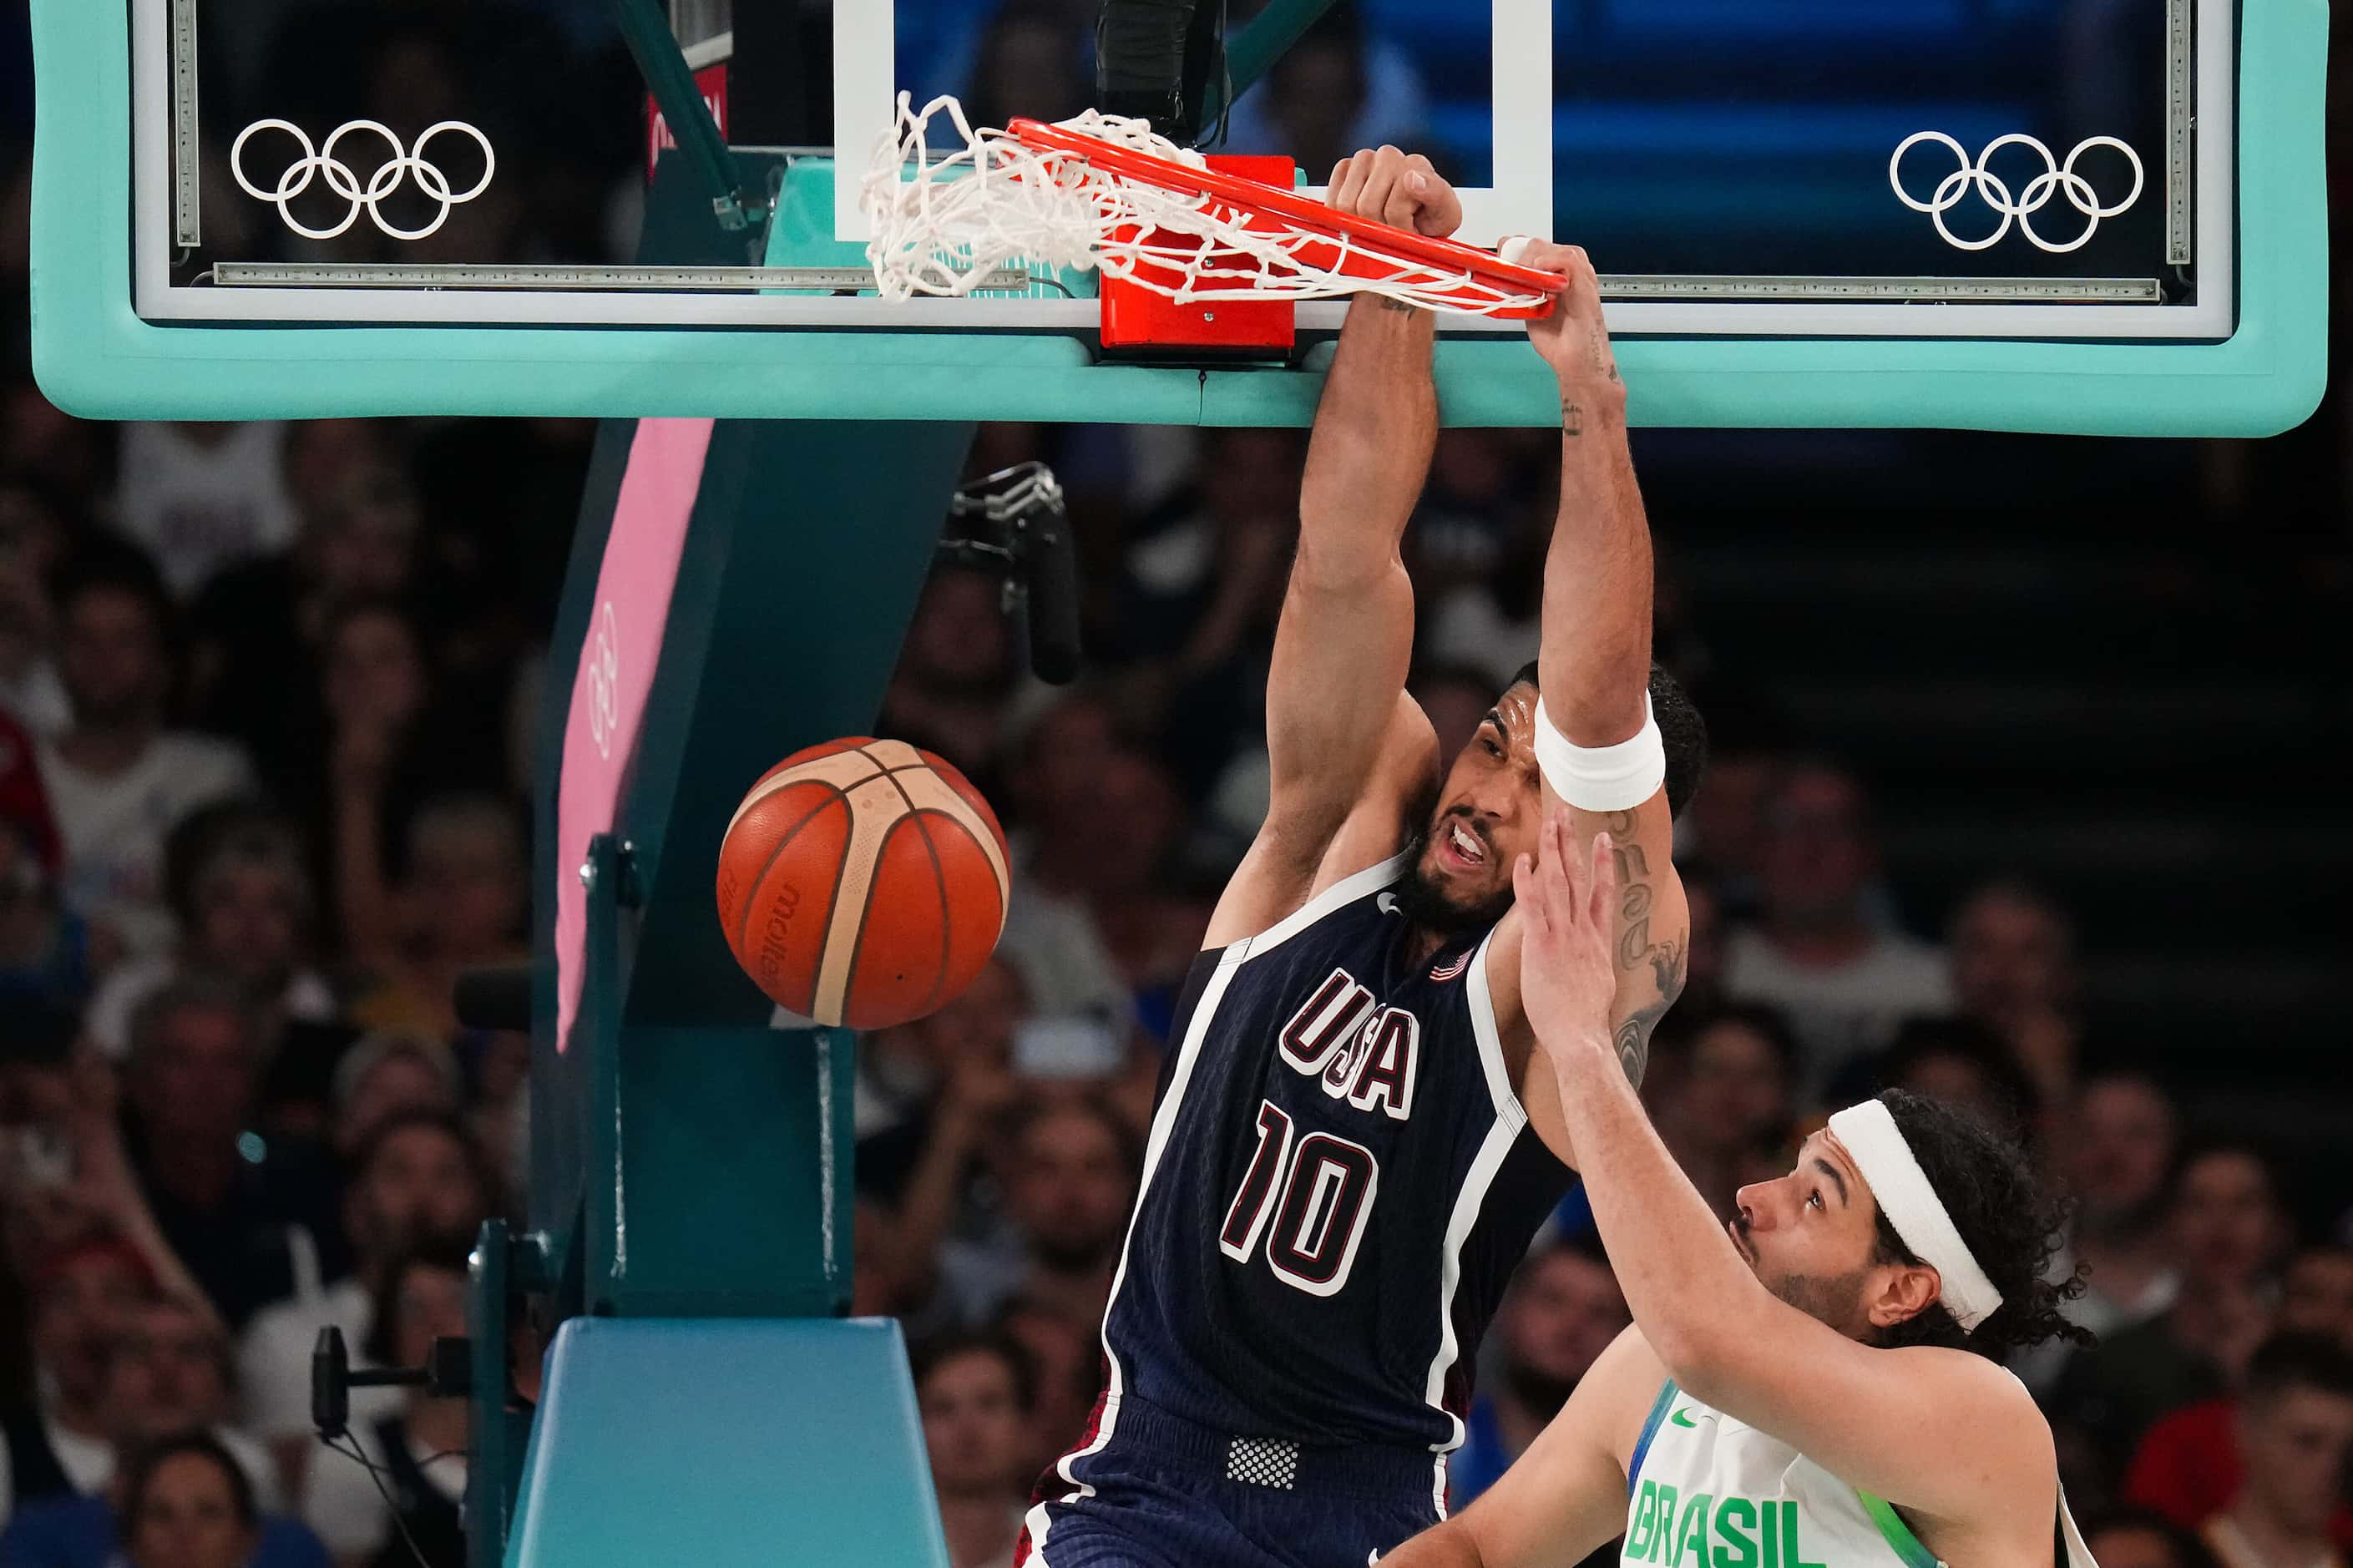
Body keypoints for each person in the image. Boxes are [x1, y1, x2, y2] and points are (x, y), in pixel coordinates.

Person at [1021, 152, 1706, 1568]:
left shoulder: (1567, 975)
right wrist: (1386, 268)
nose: (1484, 789)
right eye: (1487, 740)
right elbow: (1344, 551)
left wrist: (1589, 401)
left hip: (1364, 1510)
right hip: (1142, 1475)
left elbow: (1595, 722)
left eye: (1532, 780)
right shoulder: (1328, 835)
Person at [1384, 812, 2097, 1568]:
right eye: (1791, 1172)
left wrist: (1584, 1045)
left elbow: (1708, 1340)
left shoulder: (1978, 1415)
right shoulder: (1652, 1372)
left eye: (1816, 1199)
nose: (1756, 1196)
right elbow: (1479, 1549)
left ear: (1901, 1290)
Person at [35, 545, 254, 959]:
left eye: (126, 640)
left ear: (164, 661)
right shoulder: (14, 766)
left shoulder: (213, 776)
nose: (102, 658)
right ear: (58, 655)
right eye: (84, 638)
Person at [1444, 1241, 1628, 1514]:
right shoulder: (1443, 1444)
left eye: (1600, 1313)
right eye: (1553, 1300)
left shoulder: (1635, 1474)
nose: (1572, 1326)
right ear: (1507, 1312)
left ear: (1627, 1337)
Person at [2198, 1335, 2353, 1568]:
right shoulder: (2172, 1559)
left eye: (2347, 1449)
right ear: (2244, 1432)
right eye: (2307, 1442)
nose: (2330, 1467)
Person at [916, 1333, 1039, 1568]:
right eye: (944, 1409)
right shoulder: (882, 1543)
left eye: (989, 1404)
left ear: (1025, 1423)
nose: (968, 1430)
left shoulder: (1059, 1549)